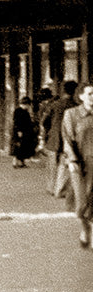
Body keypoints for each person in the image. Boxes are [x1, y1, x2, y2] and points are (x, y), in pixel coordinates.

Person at [59, 82, 93, 249]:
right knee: (82, 203)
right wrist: (71, 161)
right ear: (80, 96)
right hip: (79, 164)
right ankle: (85, 228)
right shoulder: (71, 114)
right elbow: (67, 138)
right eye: (90, 94)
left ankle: (91, 233)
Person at [48, 81, 79, 199]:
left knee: (53, 165)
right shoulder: (75, 106)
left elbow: (45, 121)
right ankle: (60, 189)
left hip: (54, 138)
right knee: (64, 164)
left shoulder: (55, 104)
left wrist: (48, 133)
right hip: (67, 138)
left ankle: (52, 188)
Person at [10, 96, 37, 167]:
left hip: (25, 132)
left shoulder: (25, 111)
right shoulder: (18, 111)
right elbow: (17, 122)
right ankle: (15, 162)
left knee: (23, 147)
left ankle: (22, 162)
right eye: (28, 105)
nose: (29, 106)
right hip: (20, 132)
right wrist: (19, 131)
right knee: (18, 147)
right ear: (26, 104)